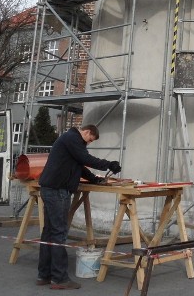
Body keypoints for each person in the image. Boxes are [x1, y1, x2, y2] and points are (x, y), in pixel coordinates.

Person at [36, 124, 121, 289]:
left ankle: (44, 275)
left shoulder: (70, 140)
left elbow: (79, 166)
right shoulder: (72, 138)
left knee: (49, 233)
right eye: (89, 140)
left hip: (51, 188)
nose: (88, 144)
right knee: (59, 234)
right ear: (87, 132)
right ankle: (59, 279)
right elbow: (85, 158)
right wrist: (108, 164)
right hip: (57, 190)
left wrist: (93, 179)